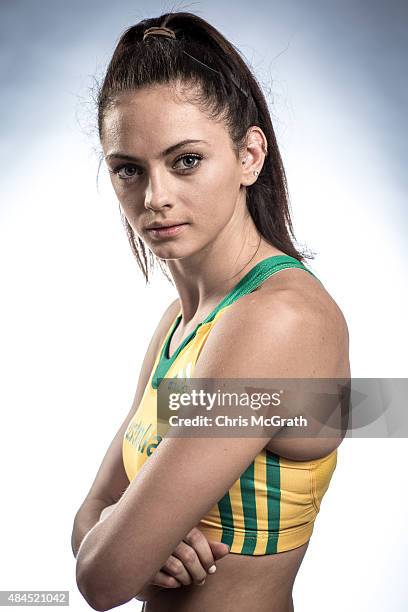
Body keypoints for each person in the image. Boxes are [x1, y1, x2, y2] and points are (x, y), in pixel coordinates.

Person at [71, 11, 350, 612]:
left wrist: (129, 547)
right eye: (128, 169)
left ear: (250, 155)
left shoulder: (277, 322)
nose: (155, 197)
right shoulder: (180, 322)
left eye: (186, 160)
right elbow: (90, 517)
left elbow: (100, 577)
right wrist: (134, 544)